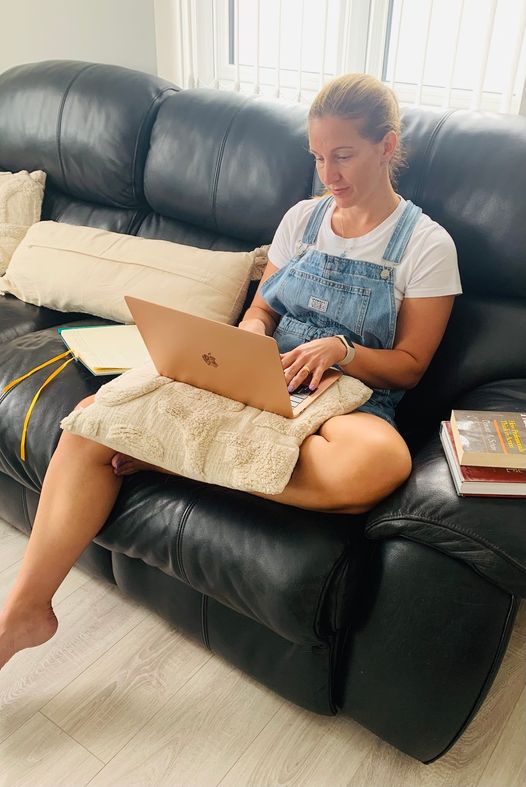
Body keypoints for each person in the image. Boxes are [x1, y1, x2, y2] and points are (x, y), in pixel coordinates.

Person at [0, 73, 461, 669]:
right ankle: (24, 611)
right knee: (91, 419)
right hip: (260, 379)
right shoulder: (301, 220)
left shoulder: (426, 245)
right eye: (318, 157)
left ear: (386, 146)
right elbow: (262, 309)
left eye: (344, 155)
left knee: (379, 462)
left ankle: (172, 455)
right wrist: (251, 334)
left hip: (350, 396)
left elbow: (411, 367)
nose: (329, 174)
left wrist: (342, 351)